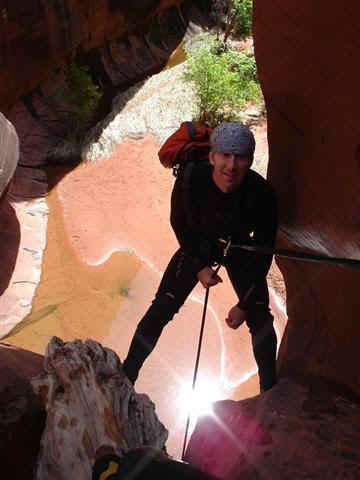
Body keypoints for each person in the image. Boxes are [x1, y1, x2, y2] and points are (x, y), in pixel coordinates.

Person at [123, 122, 278, 392]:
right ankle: (127, 375)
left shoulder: (262, 194)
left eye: (240, 157)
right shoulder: (191, 178)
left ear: (250, 160)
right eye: (225, 155)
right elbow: (179, 224)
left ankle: (269, 391)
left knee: (259, 316)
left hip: (239, 246)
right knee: (163, 307)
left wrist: (243, 304)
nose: (231, 165)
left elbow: (264, 252)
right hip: (197, 244)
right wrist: (199, 267)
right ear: (212, 156)